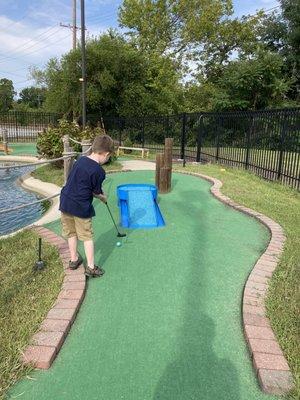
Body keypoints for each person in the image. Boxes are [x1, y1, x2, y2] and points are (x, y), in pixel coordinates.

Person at [59, 135, 114, 277]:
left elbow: (78, 181)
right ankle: (90, 267)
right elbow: (95, 192)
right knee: (87, 236)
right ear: (106, 154)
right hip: (80, 207)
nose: (107, 160)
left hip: (65, 201)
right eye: (108, 157)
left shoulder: (81, 160)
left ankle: (74, 260)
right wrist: (103, 197)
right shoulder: (99, 171)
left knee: (71, 233)